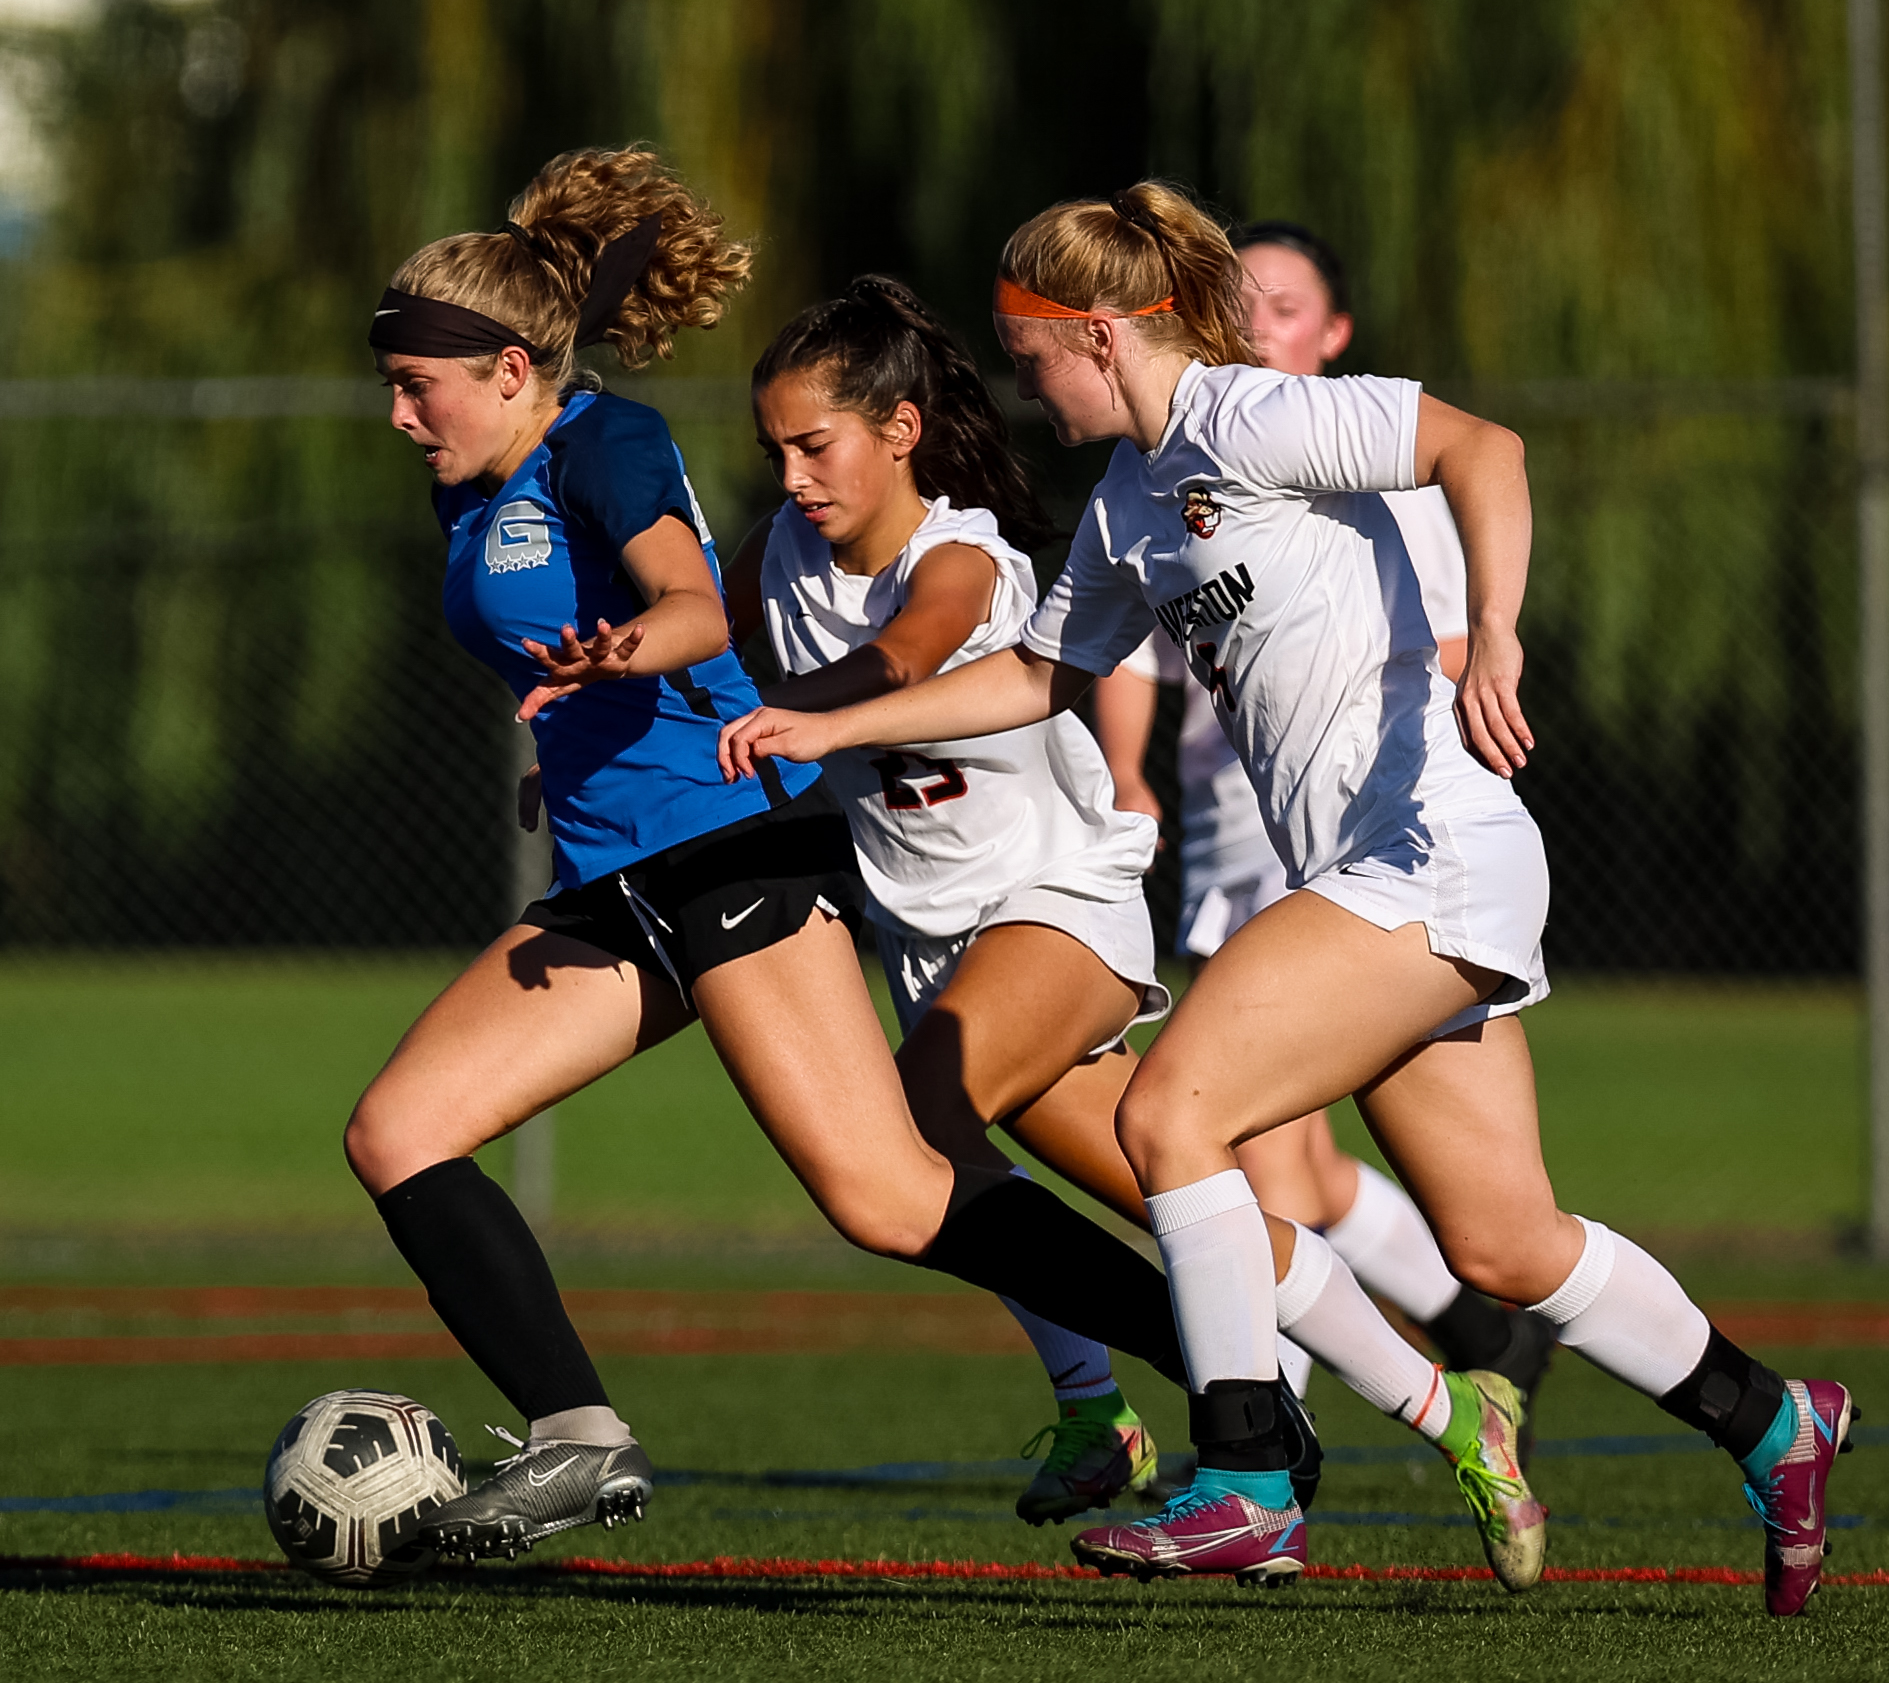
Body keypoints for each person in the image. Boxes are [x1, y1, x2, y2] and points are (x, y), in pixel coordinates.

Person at [717, 181, 1853, 1614]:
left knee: (1167, 1111)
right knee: (1503, 1243)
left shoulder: (1249, 415)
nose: (1020, 380)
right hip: (1371, 878)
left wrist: (1494, 634)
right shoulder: (1131, 498)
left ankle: (1247, 1475)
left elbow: (1478, 446)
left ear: (1104, 333)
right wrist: (824, 728)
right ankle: (1772, 1418)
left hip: (1427, 843)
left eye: (1031, 351)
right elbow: (1040, 679)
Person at [346, 146, 1239, 1563]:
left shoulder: (605, 442)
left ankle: (1233, 1398)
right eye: (392, 385)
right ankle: (579, 1440)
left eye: (419, 386)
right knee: (397, 1133)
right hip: (615, 868)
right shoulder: (472, 480)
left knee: (887, 1194)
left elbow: (695, 607)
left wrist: (634, 646)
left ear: (514, 371)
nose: (399, 414)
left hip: (737, 848)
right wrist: (565, 750)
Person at [711, 273, 1548, 1567]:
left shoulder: (967, 557)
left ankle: (1109, 1411)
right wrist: (617, 680)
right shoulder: (774, 556)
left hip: (1055, 913)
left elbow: (916, 651)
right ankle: (1455, 1411)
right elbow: (694, 631)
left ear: (899, 431)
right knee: (1200, 1207)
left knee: (913, 1127)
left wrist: (813, 714)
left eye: (812, 445)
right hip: (939, 944)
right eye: (774, 450)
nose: (792, 473)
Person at [1091, 221, 1557, 1426]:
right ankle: (1744, 1405)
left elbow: (1448, 605)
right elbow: (1108, 648)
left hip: (1394, 855)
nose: (1255, 325)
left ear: (1334, 333)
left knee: (1213, 1133)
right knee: (1318, 1174)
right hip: (1260, 850)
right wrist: (1127, 773)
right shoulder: (1161, 479)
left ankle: (1261, 1448)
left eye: (1284, 306)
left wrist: (1490, 644)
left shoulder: (1346, 460)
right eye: (1238, 303)